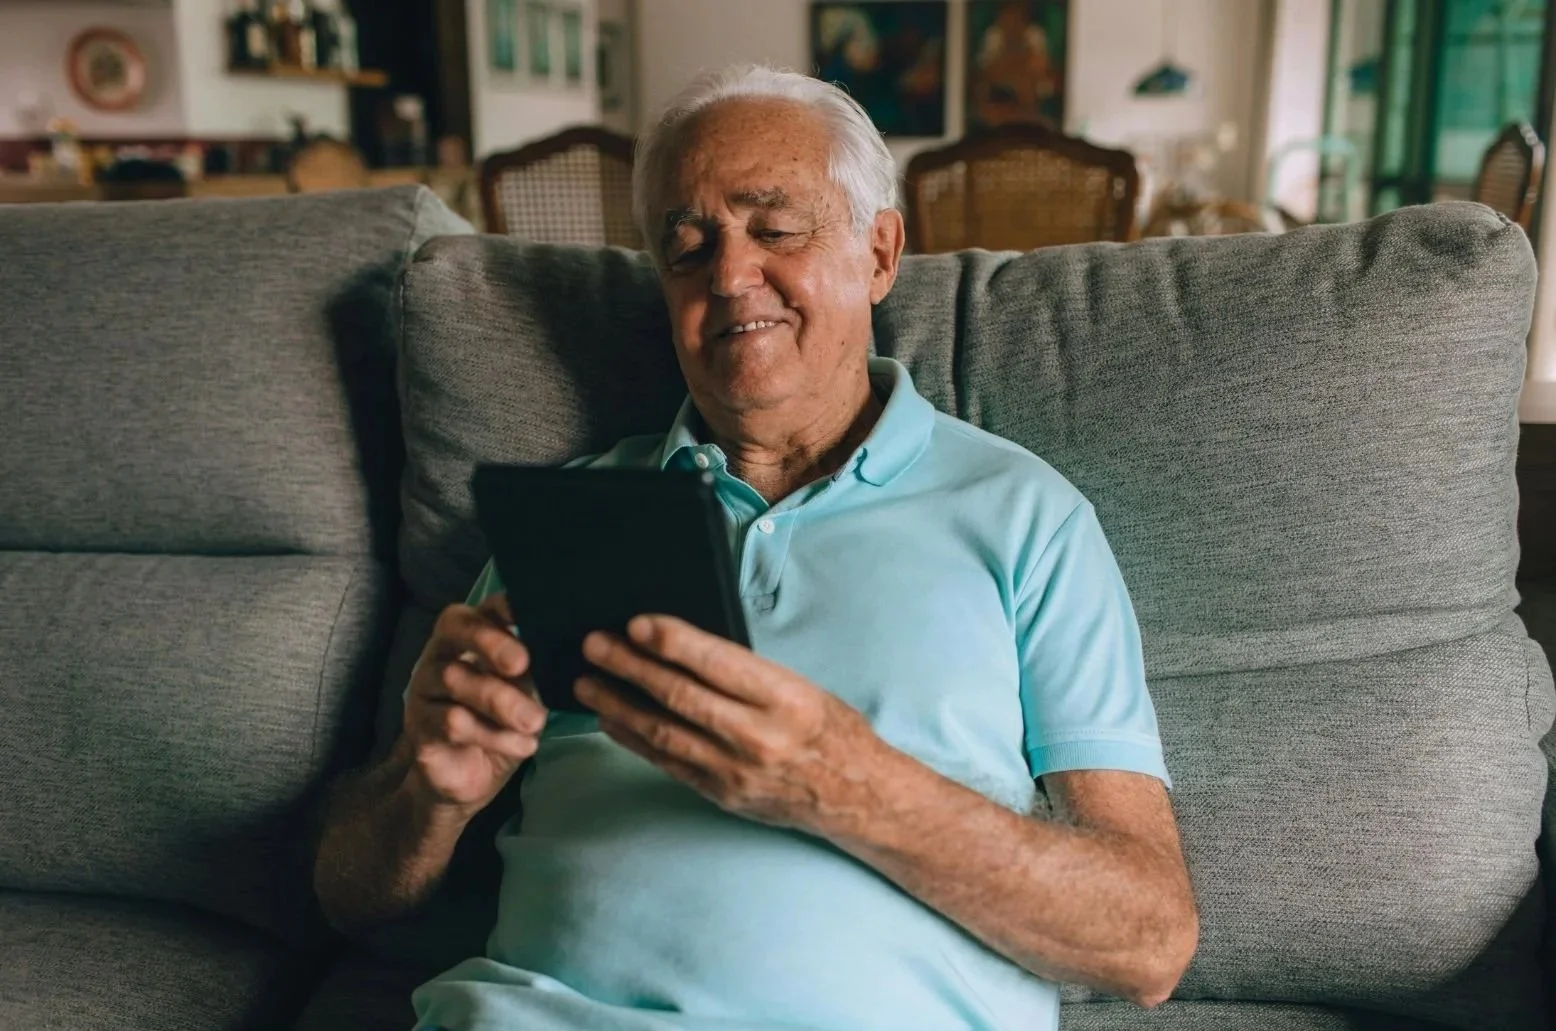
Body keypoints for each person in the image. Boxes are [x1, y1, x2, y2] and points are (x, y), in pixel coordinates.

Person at [313, 64, 1198, 1031]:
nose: (732, 277)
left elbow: (1149, 942)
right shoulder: (569, 513)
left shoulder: (1023, 514)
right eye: (688, 249)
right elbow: (353, 895)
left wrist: (845, 785)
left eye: (776, 230)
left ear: (879, 251)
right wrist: (426, 793)